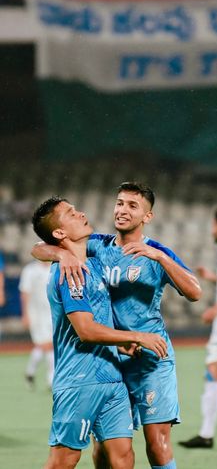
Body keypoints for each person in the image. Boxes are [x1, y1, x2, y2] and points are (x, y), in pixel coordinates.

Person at [32, 182, 202, 469]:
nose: (122, 210)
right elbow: (39, 244)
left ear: (147, 217)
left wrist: (159, 257)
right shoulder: (96, 247)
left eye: (132, 206)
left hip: (150, 358)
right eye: (120, 202)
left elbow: (195, 292)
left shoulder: (157, 252)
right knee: (103, 448)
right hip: (109, 359)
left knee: (154, 443)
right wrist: (61, 254)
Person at [178, 206, 217, 449]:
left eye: (214, 225)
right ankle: (206, 434)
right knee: (212, 374)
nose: (212, 229)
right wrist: (212, 277)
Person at [19, 260, 54, 389]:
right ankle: (51, 379)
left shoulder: (55, 266)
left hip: (52, 312)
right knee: (47, 345)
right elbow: (24, 293)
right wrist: (26, 315)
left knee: (46, 345)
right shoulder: (30, 270)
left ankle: (30, 371)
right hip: (36, 314)